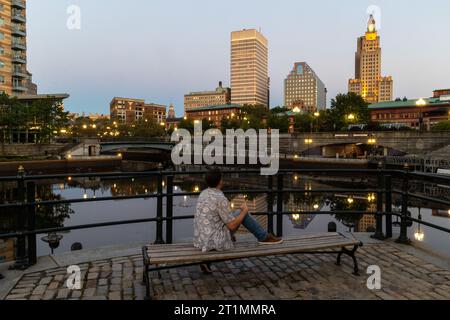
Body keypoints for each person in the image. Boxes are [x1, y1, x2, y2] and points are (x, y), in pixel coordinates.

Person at [193, 168, 283, 255]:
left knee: (236, 213)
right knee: (243, 213)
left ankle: (262, 236)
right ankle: (264, 237)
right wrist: (245, 210)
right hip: (214, 241)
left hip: (201, 239)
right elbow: (232, 226)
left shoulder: (203, 193)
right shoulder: (220, 198)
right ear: (220, 181)